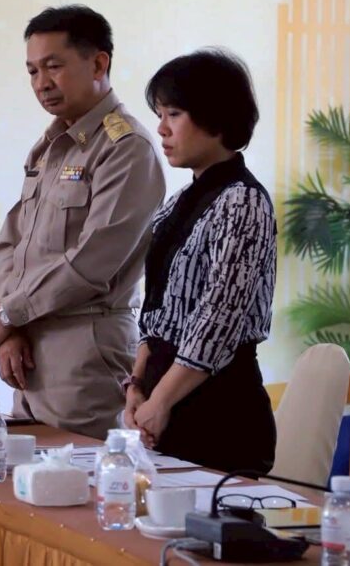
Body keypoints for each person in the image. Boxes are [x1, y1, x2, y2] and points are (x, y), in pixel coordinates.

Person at [0, 5, 166, 439]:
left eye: (53, 66)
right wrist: (9, 330)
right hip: (26, 349)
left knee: (75, 477)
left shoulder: (126, 148)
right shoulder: (49, 145)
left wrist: (10, 313)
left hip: (84, 350)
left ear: (98, 64)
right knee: (22, 475)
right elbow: (10, 245)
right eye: (32, 71)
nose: (41, 83)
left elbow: (92, 261)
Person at [123, 49, 276, 474]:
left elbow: (218, 319)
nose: (161, 128)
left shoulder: (243, 201)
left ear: (215, 118)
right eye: (159, 115)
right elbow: (155, 309)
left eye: (174, 114)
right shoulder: (176, 204)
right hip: (162, 400)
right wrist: (136, 387)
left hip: (219, 411)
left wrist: (160, 400)